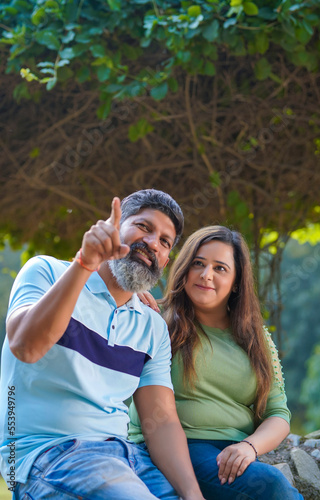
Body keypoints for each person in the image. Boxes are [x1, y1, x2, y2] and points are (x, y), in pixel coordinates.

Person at [0, 189, 206, 500]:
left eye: (164, 242)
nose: (153, 243)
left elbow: (160, 422)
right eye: (144, 227)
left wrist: (193, 494)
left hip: (126, 458)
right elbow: (26, 346)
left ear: (165, 259)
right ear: (115, 227)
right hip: (47, 455)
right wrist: (85, 263)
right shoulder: (46, 272)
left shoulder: (152, 327)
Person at [129, 225, 304, 500]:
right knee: (271, 485)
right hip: (177, 448)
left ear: (236, 281)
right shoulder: (154, 316)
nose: (206, 275)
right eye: (198, 263)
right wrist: (125, 294)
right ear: (185, 267)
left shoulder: (256, 337)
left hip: (234, 451)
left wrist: (249, 447)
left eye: (220, 268)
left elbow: (278, 415)